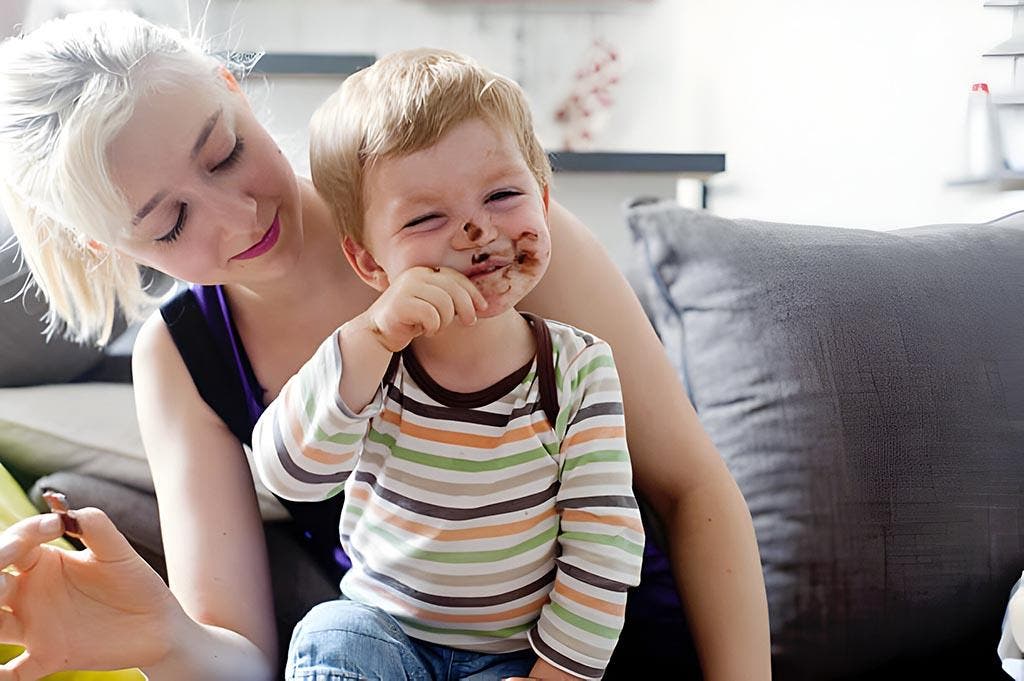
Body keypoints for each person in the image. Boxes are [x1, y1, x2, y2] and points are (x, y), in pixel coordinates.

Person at [0, 9, 770, 681]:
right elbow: (244, 654)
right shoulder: (180, 358)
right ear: (106, 247)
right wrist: (159, 637)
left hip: (607, 650)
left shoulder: (491, 228)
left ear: (234, 91)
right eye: (169, 223)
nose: (237, 217)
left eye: (225, 152)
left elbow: (691, 486)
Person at [250, 48, 644, 681]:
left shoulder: (577, 369)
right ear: (371, 264)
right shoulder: (370, 359)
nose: (474, 229)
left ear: (542, 200)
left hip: (516, 656)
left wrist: (555, 676)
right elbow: (288, 477)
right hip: (385, 636)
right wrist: (372, 336)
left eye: (503, 194)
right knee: (328, 630)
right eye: (428, 216)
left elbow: (604, 544)